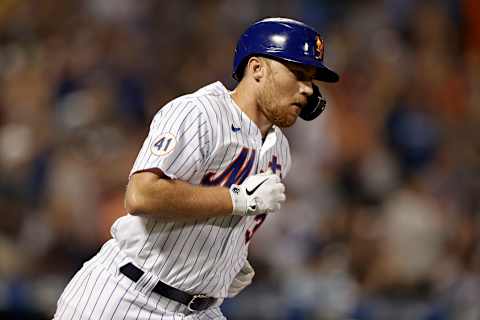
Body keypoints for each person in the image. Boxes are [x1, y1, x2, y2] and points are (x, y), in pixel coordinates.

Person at [53, 17, 339, 320]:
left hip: (200, 310)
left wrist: (227, 257)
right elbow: (141, 195)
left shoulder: (280, 150)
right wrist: (236, 200)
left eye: (311, 80)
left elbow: (230, 211)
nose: (308, 90)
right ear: (257, 69)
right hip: (127, 295)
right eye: (297, 73)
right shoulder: (198, 113)